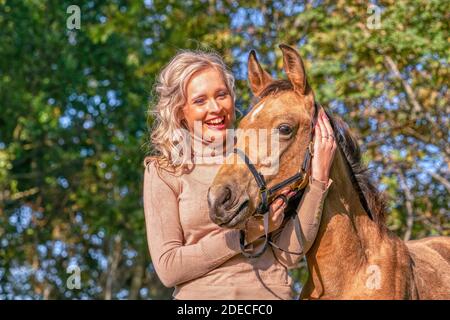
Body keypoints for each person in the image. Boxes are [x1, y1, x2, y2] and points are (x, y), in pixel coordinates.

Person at [143, 50, 337, 299]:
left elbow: (288, 254)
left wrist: (319, 179)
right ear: (181, 111)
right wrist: (248, 233)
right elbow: (169, 268)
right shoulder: (164, 171)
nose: (215, 108)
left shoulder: (263, 155)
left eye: (221, 95)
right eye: (200, 101)